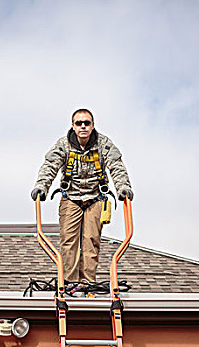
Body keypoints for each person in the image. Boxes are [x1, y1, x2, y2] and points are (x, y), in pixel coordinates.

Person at [31, 108, 133, 283]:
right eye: (79, 123)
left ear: (93, 125)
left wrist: (123, 187)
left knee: (90, 242)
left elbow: (116, 165)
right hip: (71, 198)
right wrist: (41, 186)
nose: (83, 126)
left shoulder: (103, 144)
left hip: (96, 198)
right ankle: (70, 284)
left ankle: (87, 284)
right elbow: (50, 166)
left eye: (87, 123)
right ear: (73, 126)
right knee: (69, 243)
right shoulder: (63, 145)